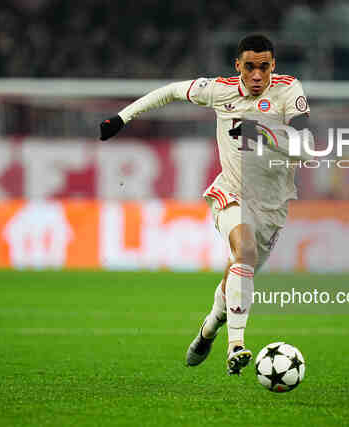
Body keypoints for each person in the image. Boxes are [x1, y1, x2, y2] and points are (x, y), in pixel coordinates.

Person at [99, 34, 312, 375]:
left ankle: (209, 329)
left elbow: (305, 146)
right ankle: (236, 346)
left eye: (264, 67)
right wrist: (122, 118)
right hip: (231, 193)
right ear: (237, 66)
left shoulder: (289, 90)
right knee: (244, 251)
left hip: (273, 206)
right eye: (249, 67)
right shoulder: (218, 90)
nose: (257, 75)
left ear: (273, 66)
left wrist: (259, 133)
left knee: (235, 283)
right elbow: (169, 91)